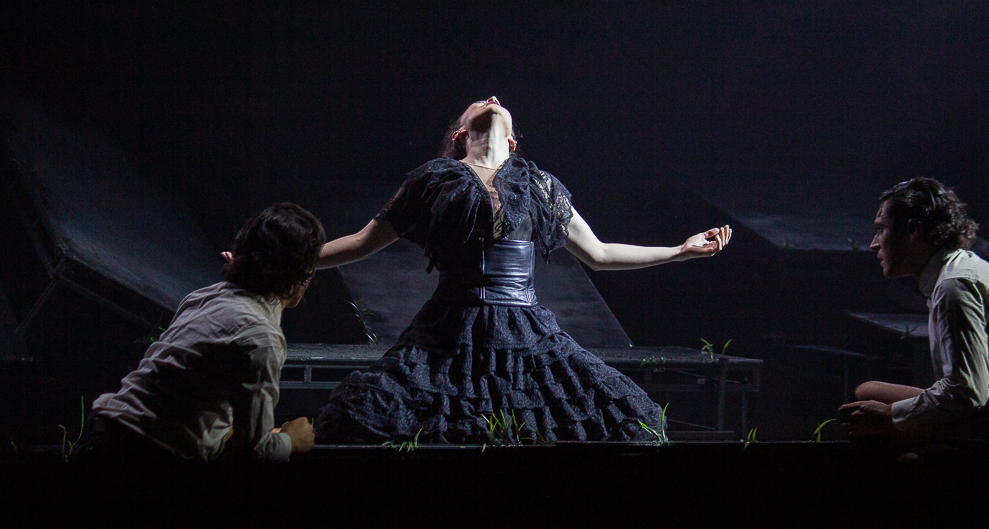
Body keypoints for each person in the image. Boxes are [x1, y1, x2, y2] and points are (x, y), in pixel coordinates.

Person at [314, 97, 732, 444]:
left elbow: (600, 253)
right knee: (373, 414)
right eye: (480, 102)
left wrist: (679, 251)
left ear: (513, 142)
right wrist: (293, 259)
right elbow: (361, 242)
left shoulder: (540, 186)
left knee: (627, 419)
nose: (493, 99)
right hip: (449, 330)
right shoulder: (434, 179)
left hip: (527, 331)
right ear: (460, 135)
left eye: (496, 101)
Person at [839, 178, 989, 452]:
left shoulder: (955, 285)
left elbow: (966, 393)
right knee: (867, 393)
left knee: (877, 429)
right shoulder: (953, 272)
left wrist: (890, 416)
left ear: (912, 229)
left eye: (881, 230)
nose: (873, 244)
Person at [87, 203, 325, 463]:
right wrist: (292, 439)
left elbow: (189, 397)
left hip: (106, 437)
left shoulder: (204, 297)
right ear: (301, 277)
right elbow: (255, 452)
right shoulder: (261, 337)